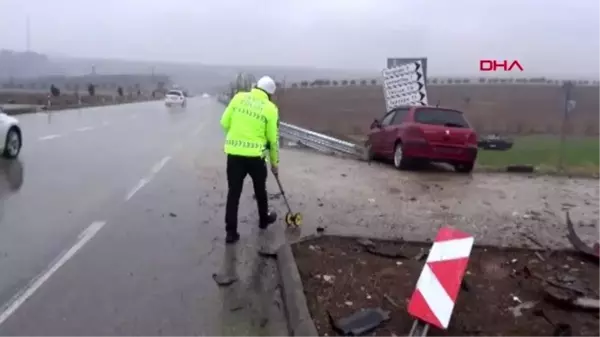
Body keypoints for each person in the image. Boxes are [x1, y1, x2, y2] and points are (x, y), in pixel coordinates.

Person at [220, 76, 280, 244]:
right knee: (260, 191)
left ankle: (231, 233)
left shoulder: (239, 97)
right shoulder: (270, 108)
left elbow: (224, 122)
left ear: (256, 87)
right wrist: (275, 163)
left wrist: (237, 137)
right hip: (256, 158)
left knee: (233, 193)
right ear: (270, 94)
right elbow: (273, 140)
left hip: (234, 155)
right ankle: (263, 220)